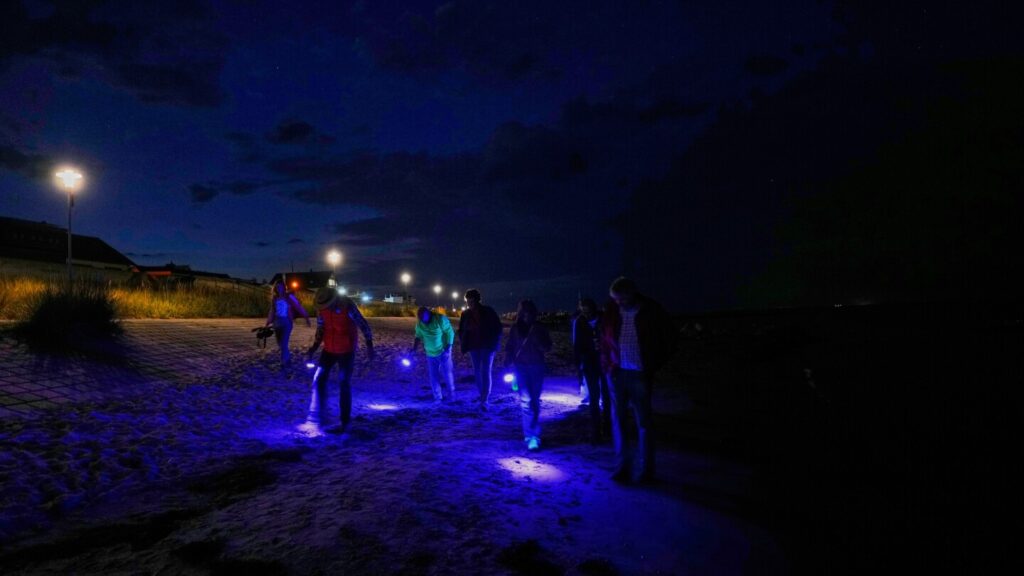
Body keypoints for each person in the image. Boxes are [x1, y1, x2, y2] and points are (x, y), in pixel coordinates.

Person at [600, 277, 676, 483]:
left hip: (640, 374)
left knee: (644, 422)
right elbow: (605, 340)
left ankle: (647, 470)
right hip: (617, 373)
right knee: (619, 421)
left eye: (621, 299)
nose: (618, 303)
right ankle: (623, 466)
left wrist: (653, 364)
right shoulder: (612, 310)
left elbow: (668, 339)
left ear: (632, 294)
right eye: (615, 299)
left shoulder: (651, 310)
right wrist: (607, 365)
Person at [303, 287, 375, 435]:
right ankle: (320, 415)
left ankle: (345, 422)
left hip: (347, 350)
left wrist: (369, 347)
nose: (324, 308)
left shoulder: (347, 305)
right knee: (319, 379)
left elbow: (363, 325)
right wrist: (313, 348)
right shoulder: (322, 310)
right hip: (329, 349)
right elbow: (321, 330)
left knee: (344, 383)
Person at [504, 300, 552, 451]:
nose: (525, 315)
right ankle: (531, 435)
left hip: (537, 366)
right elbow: (510, 346)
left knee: (534, 401)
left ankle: (533, 434)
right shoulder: (515, 328)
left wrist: (538, 341)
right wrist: (508, 359)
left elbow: (547, 347)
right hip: (521, 367)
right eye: (522, 312)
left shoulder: (539, 328)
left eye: (527, 312)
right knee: (526, 400)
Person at [457, 288, 503, 410]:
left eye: (472, 301)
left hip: (487, 345)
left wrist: (495, 342)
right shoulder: (465, 314)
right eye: (468, 301)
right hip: (473, 345)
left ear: (477, 300)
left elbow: (498, 327)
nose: (470, 304)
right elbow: (461, 330)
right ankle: (482, 396)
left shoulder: (488, 311)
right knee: (477, 370)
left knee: (485, 370)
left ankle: (484, 399)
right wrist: (463, 342)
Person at [574, 298, 611, 443]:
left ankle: (607, 427)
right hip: (589, 362)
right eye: (583, 310)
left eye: (587, 310)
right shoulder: (580, 322)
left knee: (607, 397)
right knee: (594, 398)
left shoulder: (604, 319)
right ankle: (596, 430)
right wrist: (579, 364)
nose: (586, 313)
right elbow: (577, 344)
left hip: (605, 362)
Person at [409, 306, 456, 402]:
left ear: (429, 314)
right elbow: (418, 336)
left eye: (423, 317)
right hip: (430, 353)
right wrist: (414, 349)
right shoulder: (420, 324)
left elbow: (450, 332)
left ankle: (451, 395)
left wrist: (449, 346)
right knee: (433, 376)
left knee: (446, 374)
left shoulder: (440, 319)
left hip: (443, 351)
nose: (422, 320)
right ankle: (438, 398)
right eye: (420, 318)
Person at [265, 280, 311, 369]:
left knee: (284, 344)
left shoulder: (289, 297)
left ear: (284, 287)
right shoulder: (274, 298)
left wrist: (306, 317)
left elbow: (298, 306)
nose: (279, 288)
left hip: (286, 322)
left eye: (280, 286)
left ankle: (285, 363)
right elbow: (272, 311)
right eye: (277, 287)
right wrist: (268, 322)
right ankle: (287, 360)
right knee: (280, 344)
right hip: (276, 322)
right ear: (275, 288)